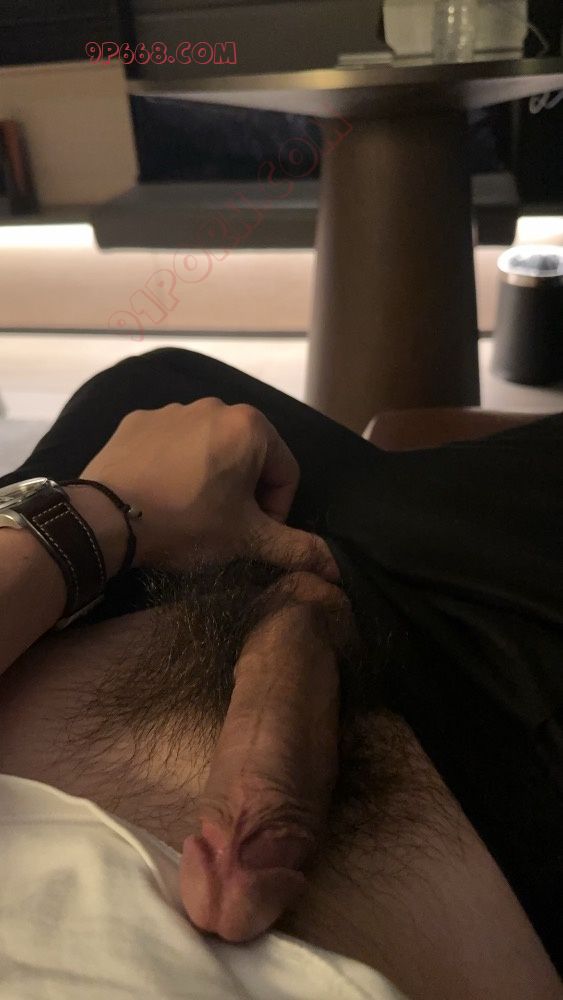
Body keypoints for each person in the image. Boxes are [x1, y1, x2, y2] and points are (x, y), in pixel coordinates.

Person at [0, 347, 562, 999]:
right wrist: (93, 518)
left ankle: (294, 618)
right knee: (154, 393)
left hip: (105, 585)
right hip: (479, 731)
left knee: (153, 400)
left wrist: (95, 517)